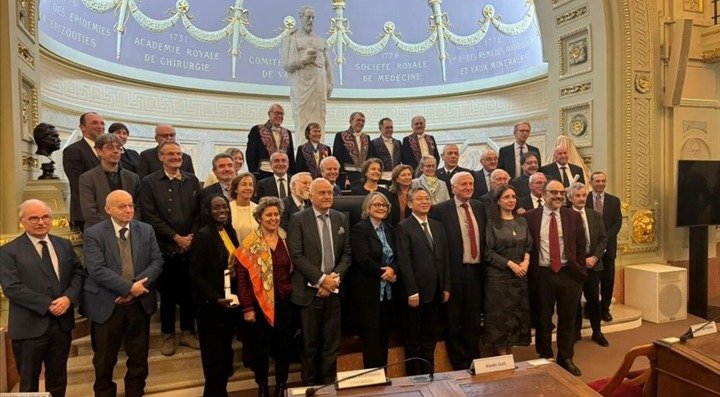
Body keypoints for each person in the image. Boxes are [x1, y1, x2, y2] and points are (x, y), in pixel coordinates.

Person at [82, 190, 163, 397]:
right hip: (107, 305)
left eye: (130, 205)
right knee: (104, 360)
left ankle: (135, 392)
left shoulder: (146, 230)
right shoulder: (93, 233)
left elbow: (157, 261)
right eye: (122, 206)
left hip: (139, 303)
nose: (128, 210)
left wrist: (134, 288)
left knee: (138, 356)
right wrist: (127, 288)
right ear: (108, 209)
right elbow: (96, 269)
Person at [0, 199, 84, 396]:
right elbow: (12, 287)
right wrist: (48, 305)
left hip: (61, 325)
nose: (41, 222)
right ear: (22, 221)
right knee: (28, 384)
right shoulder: (9, 251)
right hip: (29, 328)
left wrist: (68, 298)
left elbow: (78, 273)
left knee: (58, 380)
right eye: (34, 218)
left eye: (45, 217)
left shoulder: (63, 245)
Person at [139, 141, 201, 356]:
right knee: (167, 294)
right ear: (161, 157)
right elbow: (149, 215)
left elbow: (198, 213)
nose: (176, 157)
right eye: (171, 154)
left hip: (190, 248)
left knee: (189, 293)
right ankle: (167, 334)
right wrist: (176, 238)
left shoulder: (192, 180)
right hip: (164, 247)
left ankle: (186, 332)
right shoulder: (148, 182)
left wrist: (190, 237)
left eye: (178, 153)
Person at [287, 178, 351, 386]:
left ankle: (328, 387)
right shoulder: (298, 219)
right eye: (322, 193)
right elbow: (296, 255)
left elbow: (347, 254)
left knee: (331, 345)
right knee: (310, 345)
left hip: (334, 291)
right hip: (309, 292)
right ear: (310, 195)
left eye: (330, 193)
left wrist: (333, 281)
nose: (327, 197)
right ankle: (311, 387)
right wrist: (322, 280)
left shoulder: (341, 218)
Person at [525, 180, 587, 376]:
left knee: (568, 318)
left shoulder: (573, 216)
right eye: (554, 192)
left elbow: (581, 246)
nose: (558, 196)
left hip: (568, 274)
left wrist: (580, 270)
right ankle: (544, 355)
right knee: (543, 319)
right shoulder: (530, 217)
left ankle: (565, 357)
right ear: (543, 194)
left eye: (561, 193)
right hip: (542, 274)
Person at [236, 197, 294, 397]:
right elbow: (242, 278)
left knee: (283, 347)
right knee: (260, 349)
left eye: (276, 214)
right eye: (269, 214)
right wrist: (247, 308)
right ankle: (262, 386)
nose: (273, 218)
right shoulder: (250, 243)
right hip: (258, 305)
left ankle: (281, 385)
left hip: (285, 302)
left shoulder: (287, 239)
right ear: (259, 217)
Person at [429, 172, 485, 369]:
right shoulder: (440, 210)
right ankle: (459, 363)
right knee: (453, 320)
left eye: (471, 184)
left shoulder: (479, 207)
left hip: (476, 272)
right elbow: (437, 247)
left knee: (473, 319)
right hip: (453, 272)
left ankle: (474, 359)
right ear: (453, 188)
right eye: (463, 184)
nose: (468, 187)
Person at [189, 194, 240, 397]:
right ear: (208, 211)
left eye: (225, 207)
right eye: (216, 208)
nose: (222, 211)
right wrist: (216, 297)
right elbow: (195, 275)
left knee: (225, 353)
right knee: (213, 357)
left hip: (229, 303)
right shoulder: (203, 235)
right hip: (210, 306)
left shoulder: (229, 231)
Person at [396, 187, 450, 376]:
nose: (425, 201)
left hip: (436, 291)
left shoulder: (437, 226)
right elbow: (404, 261)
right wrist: (412, 290)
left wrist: (446, 286)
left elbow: (444, 258)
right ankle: (414, 378)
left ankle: (429, 374)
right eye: (419, 199)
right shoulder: (404, 227)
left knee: (430, 338)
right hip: (415, 293)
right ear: (410, 204)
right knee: (414, 339)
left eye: (427, 198)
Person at [483, 185, 532, 356]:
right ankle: (502, 357)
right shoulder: (491, 223)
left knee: (515, 316)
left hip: (520, 277)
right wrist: (511, 265)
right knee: (500, 319)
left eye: (513, 196)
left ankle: (509, 354)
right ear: (498, 201)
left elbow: (528, 246)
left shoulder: (522, 221)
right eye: (506, 197)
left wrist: (526, 262)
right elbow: (488, 252)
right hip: (498, 278)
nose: (511, 200)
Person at [350, 192, 398, 368]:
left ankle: (383, 375)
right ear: (368, 208)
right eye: (376, 205)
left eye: (384, 205)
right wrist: (384, 273)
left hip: (388, 293)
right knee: (371, 339)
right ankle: (372, 378)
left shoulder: (390, 229)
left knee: (384, 337)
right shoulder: (360, 229)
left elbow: (398, 256)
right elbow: (362, 259)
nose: (380, 208)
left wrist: (394, 269)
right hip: (369, 292)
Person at [281, 5, 333, 138]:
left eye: (313, 18)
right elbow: (287, 65)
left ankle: (320, 151)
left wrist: (330, 82)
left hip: (318, 85)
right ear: (301, 18)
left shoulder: (320, 40)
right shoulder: (291, 39)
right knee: (301, 118)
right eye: (308, 17)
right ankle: (303, 151)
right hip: (301, 85)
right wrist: (303, 60)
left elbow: (328, 65)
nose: (310, 20)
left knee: (320, 117)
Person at [567, 183, 609, 347]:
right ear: (570, 197)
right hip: (574, 267)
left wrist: (595, 258)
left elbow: (603, 239)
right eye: (577, 195)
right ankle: (575, 332)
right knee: (574, 301)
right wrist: (579, 260)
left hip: (593, 266)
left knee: (593, 300)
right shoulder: (565, 215)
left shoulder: (595, 215)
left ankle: (597, 332)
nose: (581, 198)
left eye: (584, 195)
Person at [79, 134, 140, 228]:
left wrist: (128, 225)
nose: (116, 151)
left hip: (129, 229)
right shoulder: (87, 178)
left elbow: (138, 207)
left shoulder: (133, 177)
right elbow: (90, 212)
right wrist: (114, 228)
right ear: (99, 151)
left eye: (118, 148)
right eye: (110, 147)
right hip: (99, 231)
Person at [586, 171, 622, 322]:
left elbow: (617, 223)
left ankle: (605, 310)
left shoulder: (614, 200)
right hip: (589, 249)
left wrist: (604, 240)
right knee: (590, 283)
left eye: (603, 181)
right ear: (591, 182)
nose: (600, 184)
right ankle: (590, 309)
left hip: (608, 249)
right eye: (597, 181)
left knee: (607, 281)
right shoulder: (584, 198)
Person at [63, 111, 104, 230]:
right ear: (82, 127)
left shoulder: (108, 150)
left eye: (102, 123)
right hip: (86, 214)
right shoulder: (73, 150)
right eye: (95, 123)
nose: (100, 126)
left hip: (108, 212)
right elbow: (78, 184)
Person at [246, 104, 296, 180]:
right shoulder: (257, 129)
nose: (279, 116)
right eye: (276, 113)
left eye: (281, 114)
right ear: (269, 114)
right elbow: (251, 153)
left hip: (284, 174)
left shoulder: (287, 132)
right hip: (263, 173)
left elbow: (291, 156)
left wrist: (292, 175)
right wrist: (253, 174)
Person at [333, 112, 370, 185]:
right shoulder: (340, 135)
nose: (361, 123)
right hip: (347, 175)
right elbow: (337, 157)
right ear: (351, 121)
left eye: (363, 121)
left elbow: (369, 158)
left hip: (363, 176)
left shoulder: (367, 137)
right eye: (358, 120)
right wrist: (344, 176)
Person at [199, 153, 236, 225]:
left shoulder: (243, 190)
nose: (227, 169)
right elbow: (204, 218)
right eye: (222, 166)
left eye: (230, 165)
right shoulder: (206, 193)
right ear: (214, 171)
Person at [229, 172, 259, 243]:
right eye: (244, 184)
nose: (248, 188)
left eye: (250, 185)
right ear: (235, 189)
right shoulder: (228, 209)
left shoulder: (258, 209)